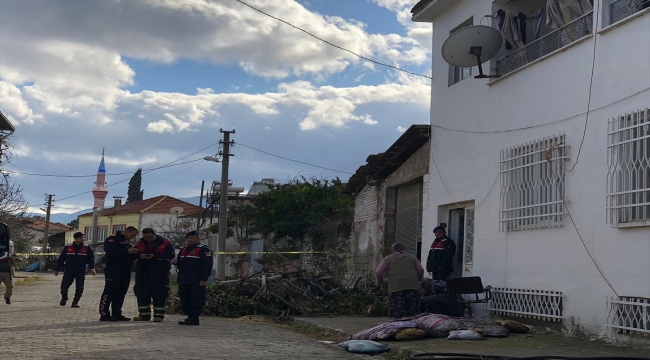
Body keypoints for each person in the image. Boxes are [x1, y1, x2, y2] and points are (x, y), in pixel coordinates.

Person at [132, 228, 175, 322]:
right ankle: (144, 315)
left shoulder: (165, 243)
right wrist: (140, 256)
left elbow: (171, 255)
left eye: (150, 237)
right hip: (143, 273)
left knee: (159, 293)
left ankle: (159, 315)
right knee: (142, 293)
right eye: (145, 237)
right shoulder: (140, 243)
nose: (148, 239)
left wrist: (154, 256)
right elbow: (133, 255)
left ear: (154, 235)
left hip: (160, 273)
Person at [99, 226, 141, 322]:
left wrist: (137, 254)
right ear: (126, 231)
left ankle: (117, 313)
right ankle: (104, 314)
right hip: (113, 269)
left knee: (121, 292)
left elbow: (128, 255)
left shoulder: (127, 242)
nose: (132, 237)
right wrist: (127, 251)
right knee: (109, 292)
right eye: (132, 235)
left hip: (125, 270)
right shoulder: (112, 239)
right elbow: (110, 252)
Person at [172, 230, 213, 326]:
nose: (190, 240)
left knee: (196, 299)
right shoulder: (184, 249)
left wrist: (203, 279)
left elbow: (207, 266)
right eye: (188, 238)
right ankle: (189, 316)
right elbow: (180, 262)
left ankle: (194, 318)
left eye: (192, 238)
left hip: (196, 280)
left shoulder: (204, 250)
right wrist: (176, 262)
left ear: (198, 238)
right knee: (185, 299)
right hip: (184, 278)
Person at [375, 242, 424, 319]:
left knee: (396, 312)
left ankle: (398, 328)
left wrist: (381, 283)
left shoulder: (388, 259)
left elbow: (378, 272)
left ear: (393, 250)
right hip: (413, 287)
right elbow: (420, 270)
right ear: (404, 249)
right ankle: (413, 328)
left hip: (396, 288)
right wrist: (419, 280)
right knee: (413, 312)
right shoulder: (413, 257)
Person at [55, 232, 96, 308]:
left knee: (79, 287)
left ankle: (75, 302)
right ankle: (64, 298)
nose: (82, 239)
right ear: (75, 238)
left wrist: (92, 268)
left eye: (83, 237)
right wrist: (57, 269)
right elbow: (61, 259)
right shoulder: (68, 247)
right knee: (64, 286)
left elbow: (91, 259)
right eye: (81, 237)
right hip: (69, 269)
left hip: (81, 269)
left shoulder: (87, 248)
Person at [0, 240, 16, 305]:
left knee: (10, 286)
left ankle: (7, 297)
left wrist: (14, 259)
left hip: (7, 273)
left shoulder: (10, 254)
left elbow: (20, 259)